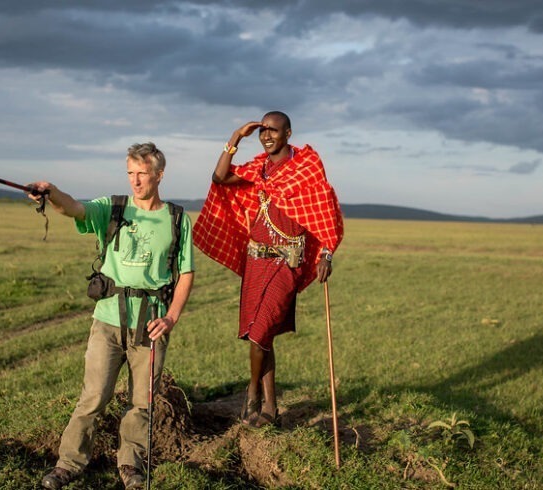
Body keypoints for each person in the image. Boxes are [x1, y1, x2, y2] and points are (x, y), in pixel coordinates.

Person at [30, 142, 194, 490]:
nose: (135, 181)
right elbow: (73, 209)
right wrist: (51, 191)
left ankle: (131, 467)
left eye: (143, 174)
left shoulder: (178, 218)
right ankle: (68, 464)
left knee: (142, 402)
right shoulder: (113, 207)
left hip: (151, 324)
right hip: (107, 320)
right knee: (93, 396)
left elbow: (186, 273)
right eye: (130, 173)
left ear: (159, 175)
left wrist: (171, 317)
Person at [194, 111, 343, 428]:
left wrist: (326, 254)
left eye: (273, 130)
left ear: (288, 132)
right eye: (262, 131)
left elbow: (324, 211)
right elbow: (219, 178)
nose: (266, 135)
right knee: (261, 337)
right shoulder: (257, 169)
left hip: (286, 261)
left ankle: (252, 392)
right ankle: (270, 410)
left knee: (260, 333)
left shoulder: (306, 168)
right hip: (256, 261)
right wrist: (235, 138)